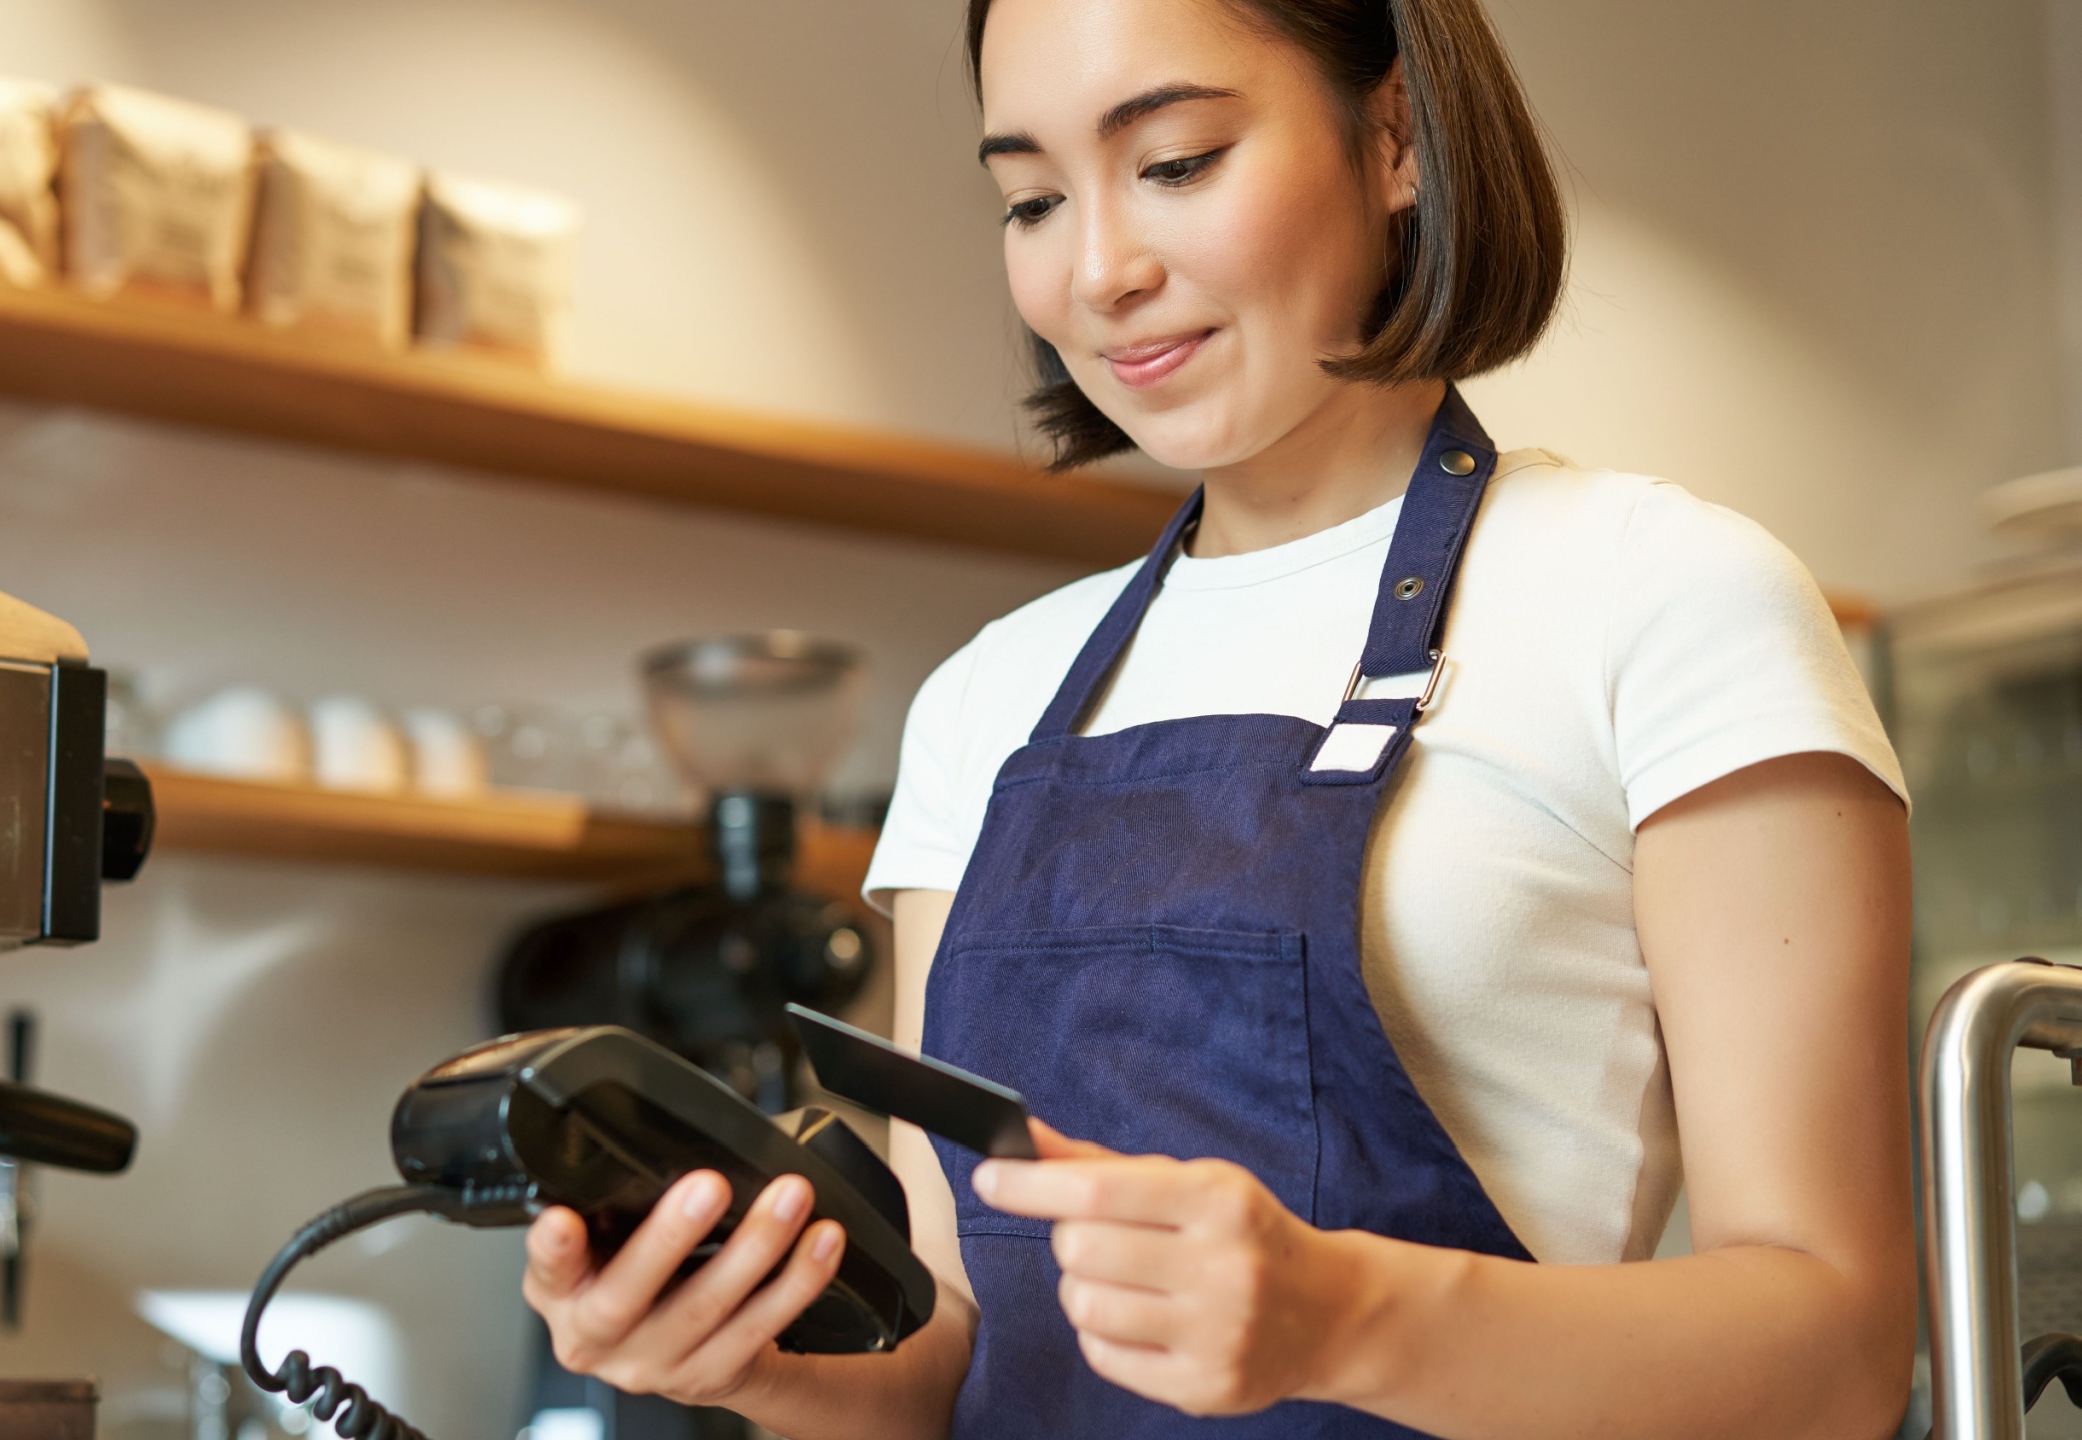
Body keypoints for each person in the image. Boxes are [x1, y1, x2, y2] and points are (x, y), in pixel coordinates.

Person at [520, 0, 1915, 1434]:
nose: (1101, 270)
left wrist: (1347, 1316)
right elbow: (960, 1355)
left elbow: (1840, 1347)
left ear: (1395, 141)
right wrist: (756, 1359)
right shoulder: (989, 697)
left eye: (1176, 161)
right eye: (1035, 200)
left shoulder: (1664, 598)